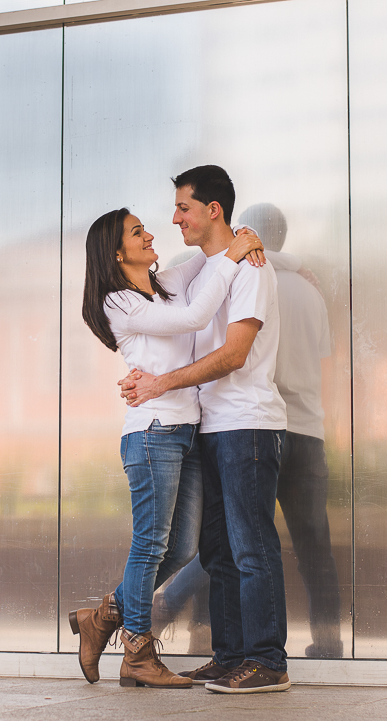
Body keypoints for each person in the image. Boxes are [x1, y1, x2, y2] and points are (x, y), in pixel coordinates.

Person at [69, 207, 264, 688]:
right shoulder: (120, 301)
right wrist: (234, 255)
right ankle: (137, 652)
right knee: (151, 544)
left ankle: (102, 618)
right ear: (117, 253)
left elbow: (210, 257)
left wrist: (244, 236)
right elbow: (196, 316)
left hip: (187, 430)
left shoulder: (166, 283)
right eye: (138, 233)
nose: (151, 233)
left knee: (180, 548)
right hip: (153, 432)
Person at [119, 165, 290, 694]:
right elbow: (179, 308)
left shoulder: (252, 271)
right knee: (216, 552)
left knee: (251, 546)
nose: (174, 219)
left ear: (213, 210)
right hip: (211, 427)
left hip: (248, 424)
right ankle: (230, 654)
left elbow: (234, 354)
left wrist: (160, 384)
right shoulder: (203, 269)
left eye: (183, 208)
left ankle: (266, 661)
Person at [153, 203, 344, 659]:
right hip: (306, 429)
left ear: (251, 233)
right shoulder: (309, 290)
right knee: (312, 543)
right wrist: (299, 266)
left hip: (256, 426)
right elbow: (322, 359)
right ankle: (329, 639)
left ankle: (207, 628)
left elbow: (186, 275)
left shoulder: (248, 272)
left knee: (241, 540)